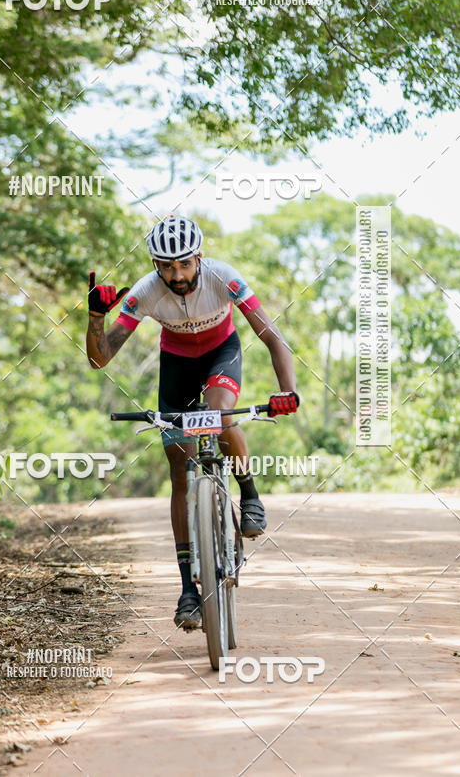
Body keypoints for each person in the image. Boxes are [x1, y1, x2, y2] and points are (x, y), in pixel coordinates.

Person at [86, 215, 299, 630]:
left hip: (222, 351)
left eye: (184, 264)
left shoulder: (224, 278)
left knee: (219, 415)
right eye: (166, 266)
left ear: (199, 258)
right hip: (177, 364)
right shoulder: (146, 292)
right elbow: (100, 358)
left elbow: (273, 337)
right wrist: (95, 316)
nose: (177, 275)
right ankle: (188, 589)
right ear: (154, 264)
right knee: (178, 466)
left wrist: (287, 390)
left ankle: (249, 493)